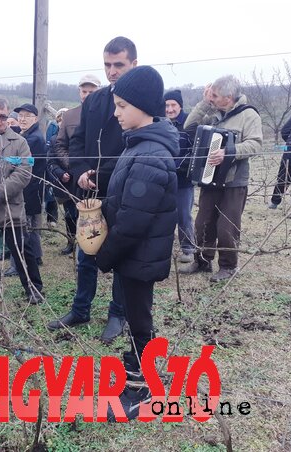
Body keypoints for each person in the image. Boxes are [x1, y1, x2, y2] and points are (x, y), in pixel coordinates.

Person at [96, 65, 178, 420]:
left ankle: (142, 389)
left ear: (143, 106)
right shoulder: (141, 146)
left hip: (138, 257)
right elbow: (125, 188)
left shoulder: (150, 155)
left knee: (139, 321)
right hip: (133, 257)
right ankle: (137, 369)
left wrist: (104, 255)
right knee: (135, 314)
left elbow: (131, 222)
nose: (116, 113)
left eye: (121, 106)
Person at [47, 36, 137, 343]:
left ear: (133, 64)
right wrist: (81, 170)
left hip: (125, 191)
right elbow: (78, 141)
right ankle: (81, 308)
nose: (112, 72)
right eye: (108, 65)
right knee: (86, 252)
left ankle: (118, 314)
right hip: (90, 190)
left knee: (122, 255)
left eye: (119, 65)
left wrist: (105, 174)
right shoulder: (96, 100)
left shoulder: (143, 101)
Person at [180, 75, 263, 282]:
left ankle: (228, 266)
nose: (213, 98)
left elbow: (256, 144)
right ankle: (202, 261)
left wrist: (229, 151)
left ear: (229, 97)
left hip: (235, 182)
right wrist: (204, 103)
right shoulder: (214, 112)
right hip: (210, 178)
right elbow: (189, 128)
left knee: (227, 227)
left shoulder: (249, 115)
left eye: (215, 95)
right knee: (203, 224)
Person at [0, 97, 44, 305]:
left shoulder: (19, 142)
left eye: (3, 116)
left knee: (20, 249)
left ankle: (33, 287)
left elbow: (25, 171)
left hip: (10, 205)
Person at [47, 75, 101, 256]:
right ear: (79, 92)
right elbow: (60, 145)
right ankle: (74, 244)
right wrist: (74, 166)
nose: (87, 95)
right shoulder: (69, 116)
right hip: (75, 179)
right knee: (73, 214)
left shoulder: (110, 114)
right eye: (84, 91)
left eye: (91, 91)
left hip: (102, 175)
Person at [164, 89, 195, 262]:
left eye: (173, 105)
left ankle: (188, 249)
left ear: (180, 106)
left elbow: (194, 153)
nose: (169, 109)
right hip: (164, 180)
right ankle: (164, 247)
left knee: (183, 215)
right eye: (166, 105)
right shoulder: (161, 124)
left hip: (183, 180)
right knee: (164, 214)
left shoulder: (189, 124)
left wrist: (173, 165)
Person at [16, 103, 46, 265]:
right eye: (20, 115)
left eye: (27, 116)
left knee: (25, 225)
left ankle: (26, 260)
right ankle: (36, 256)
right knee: (31, 225)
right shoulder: (28, 134)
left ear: (35, 118)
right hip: (32, 187)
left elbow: (23, 163)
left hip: (29, 187)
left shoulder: (32, 139)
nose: (22, 119)